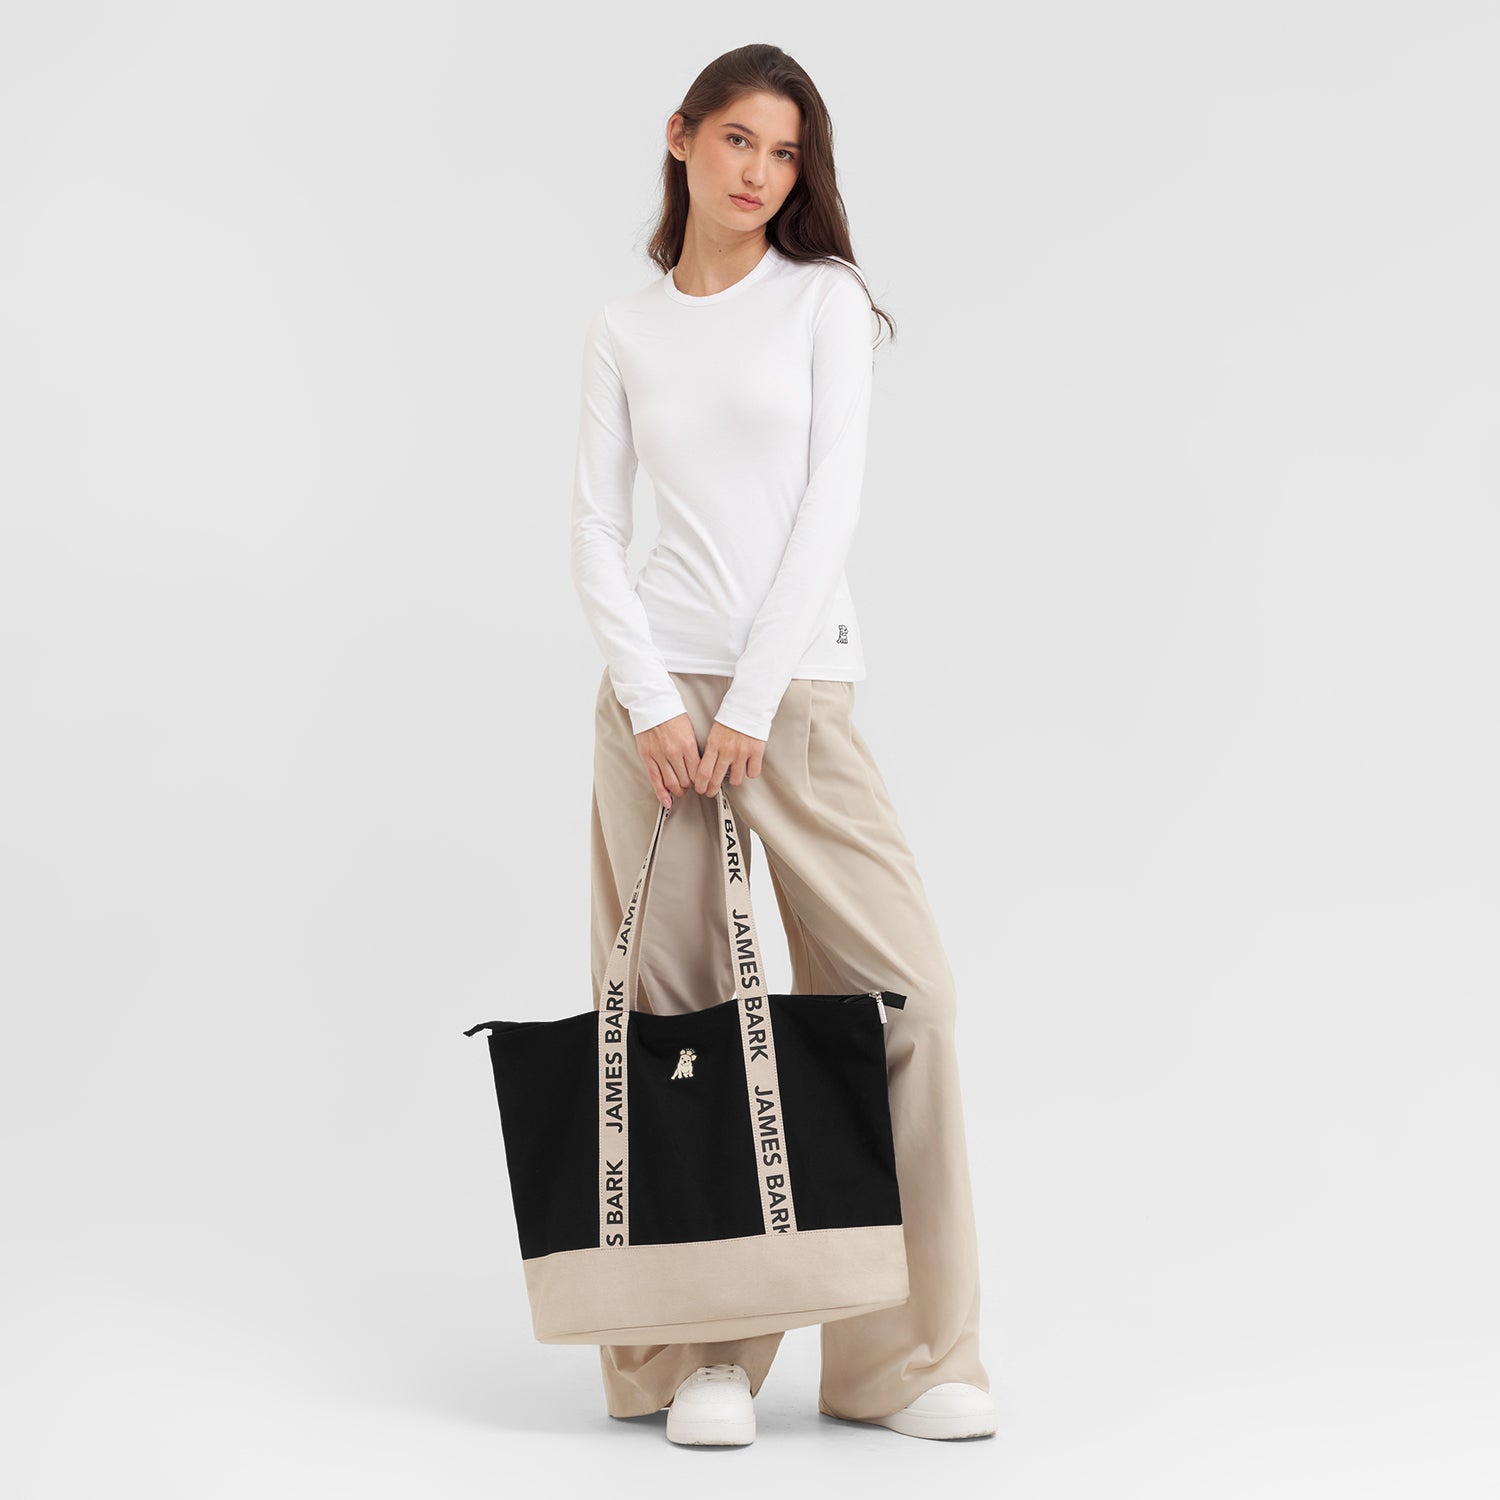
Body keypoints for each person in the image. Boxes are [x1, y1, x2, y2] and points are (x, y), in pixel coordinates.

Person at [570, 42, 996, 1446]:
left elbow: (833, 501)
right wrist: (653, 706)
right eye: (739, 139)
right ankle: (703, 1356)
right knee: (681, 1029)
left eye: (787, 152)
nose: (760, 170)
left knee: (903, 1003)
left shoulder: (823, 302)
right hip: (656, 712)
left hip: (791, 696)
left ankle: (904, 1359)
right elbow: (592, 528)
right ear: (683, 138)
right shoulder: (626, 328)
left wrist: (747, 703)